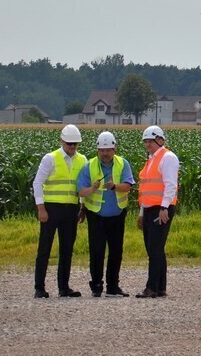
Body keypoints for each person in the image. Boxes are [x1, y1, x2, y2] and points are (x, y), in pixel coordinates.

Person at [32, 124, 88, 298]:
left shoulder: (82, 160)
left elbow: (83, 186)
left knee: (67, 249)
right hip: (51, 209)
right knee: (45, 249)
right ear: (62, 141)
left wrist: (82, 207)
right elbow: (37, 183)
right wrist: (41, 208)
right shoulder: (50, 158)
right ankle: (39, 288)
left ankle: (64, 287)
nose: (72, 147)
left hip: (71, 210)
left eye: (75, 144)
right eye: (69, 143)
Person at [77, 131, 134, 298]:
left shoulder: (123, 163)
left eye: (108, 150)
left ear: (114, 149)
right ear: (97, 150)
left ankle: (113, 286)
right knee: (96, 252)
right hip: (96, 215)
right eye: (102, 150)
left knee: (116, 251)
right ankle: (96, 285)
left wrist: (114, 186)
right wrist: (92, 189)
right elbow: (81, 191)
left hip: (117, 214)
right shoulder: (89, 166)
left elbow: (128, 186)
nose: (105, 153)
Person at [136, 125, 179, 298]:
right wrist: (141, 213)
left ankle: (152, 287)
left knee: (154, 249)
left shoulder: (167, 157)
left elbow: (170, 185)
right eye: (145, 141)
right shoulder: (151, 159)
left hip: (160, 208)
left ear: (160, 140)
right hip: (149, 209)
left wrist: (164, 208)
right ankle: (160, 287)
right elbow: (146, 189)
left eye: (151, 141)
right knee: (155, 248)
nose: (148, 144)